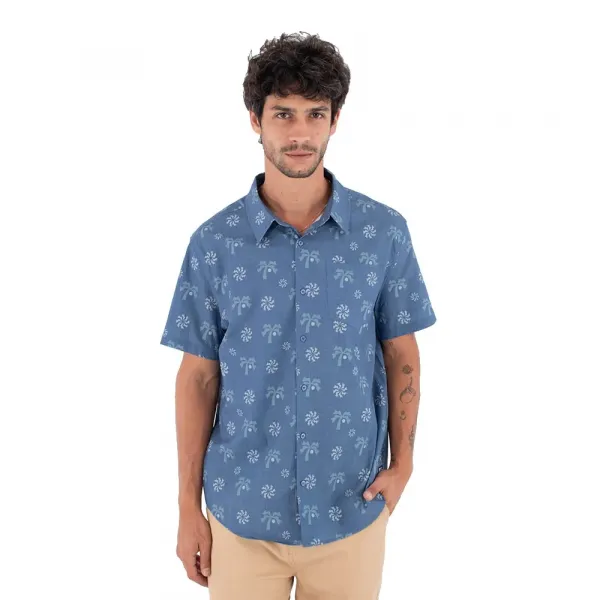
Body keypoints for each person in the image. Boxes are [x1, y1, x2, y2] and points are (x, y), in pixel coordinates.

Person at [160, 31, 437, 600]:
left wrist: (404, 465)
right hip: (241, 513)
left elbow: (401, 352)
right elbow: (198, 377)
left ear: (335, 121)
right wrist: (188, 507)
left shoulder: (383, 233)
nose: (300, 133)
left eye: (315, 114)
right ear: (255, 120)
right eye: (283, 113)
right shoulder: (213, 244)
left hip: (351, 508)